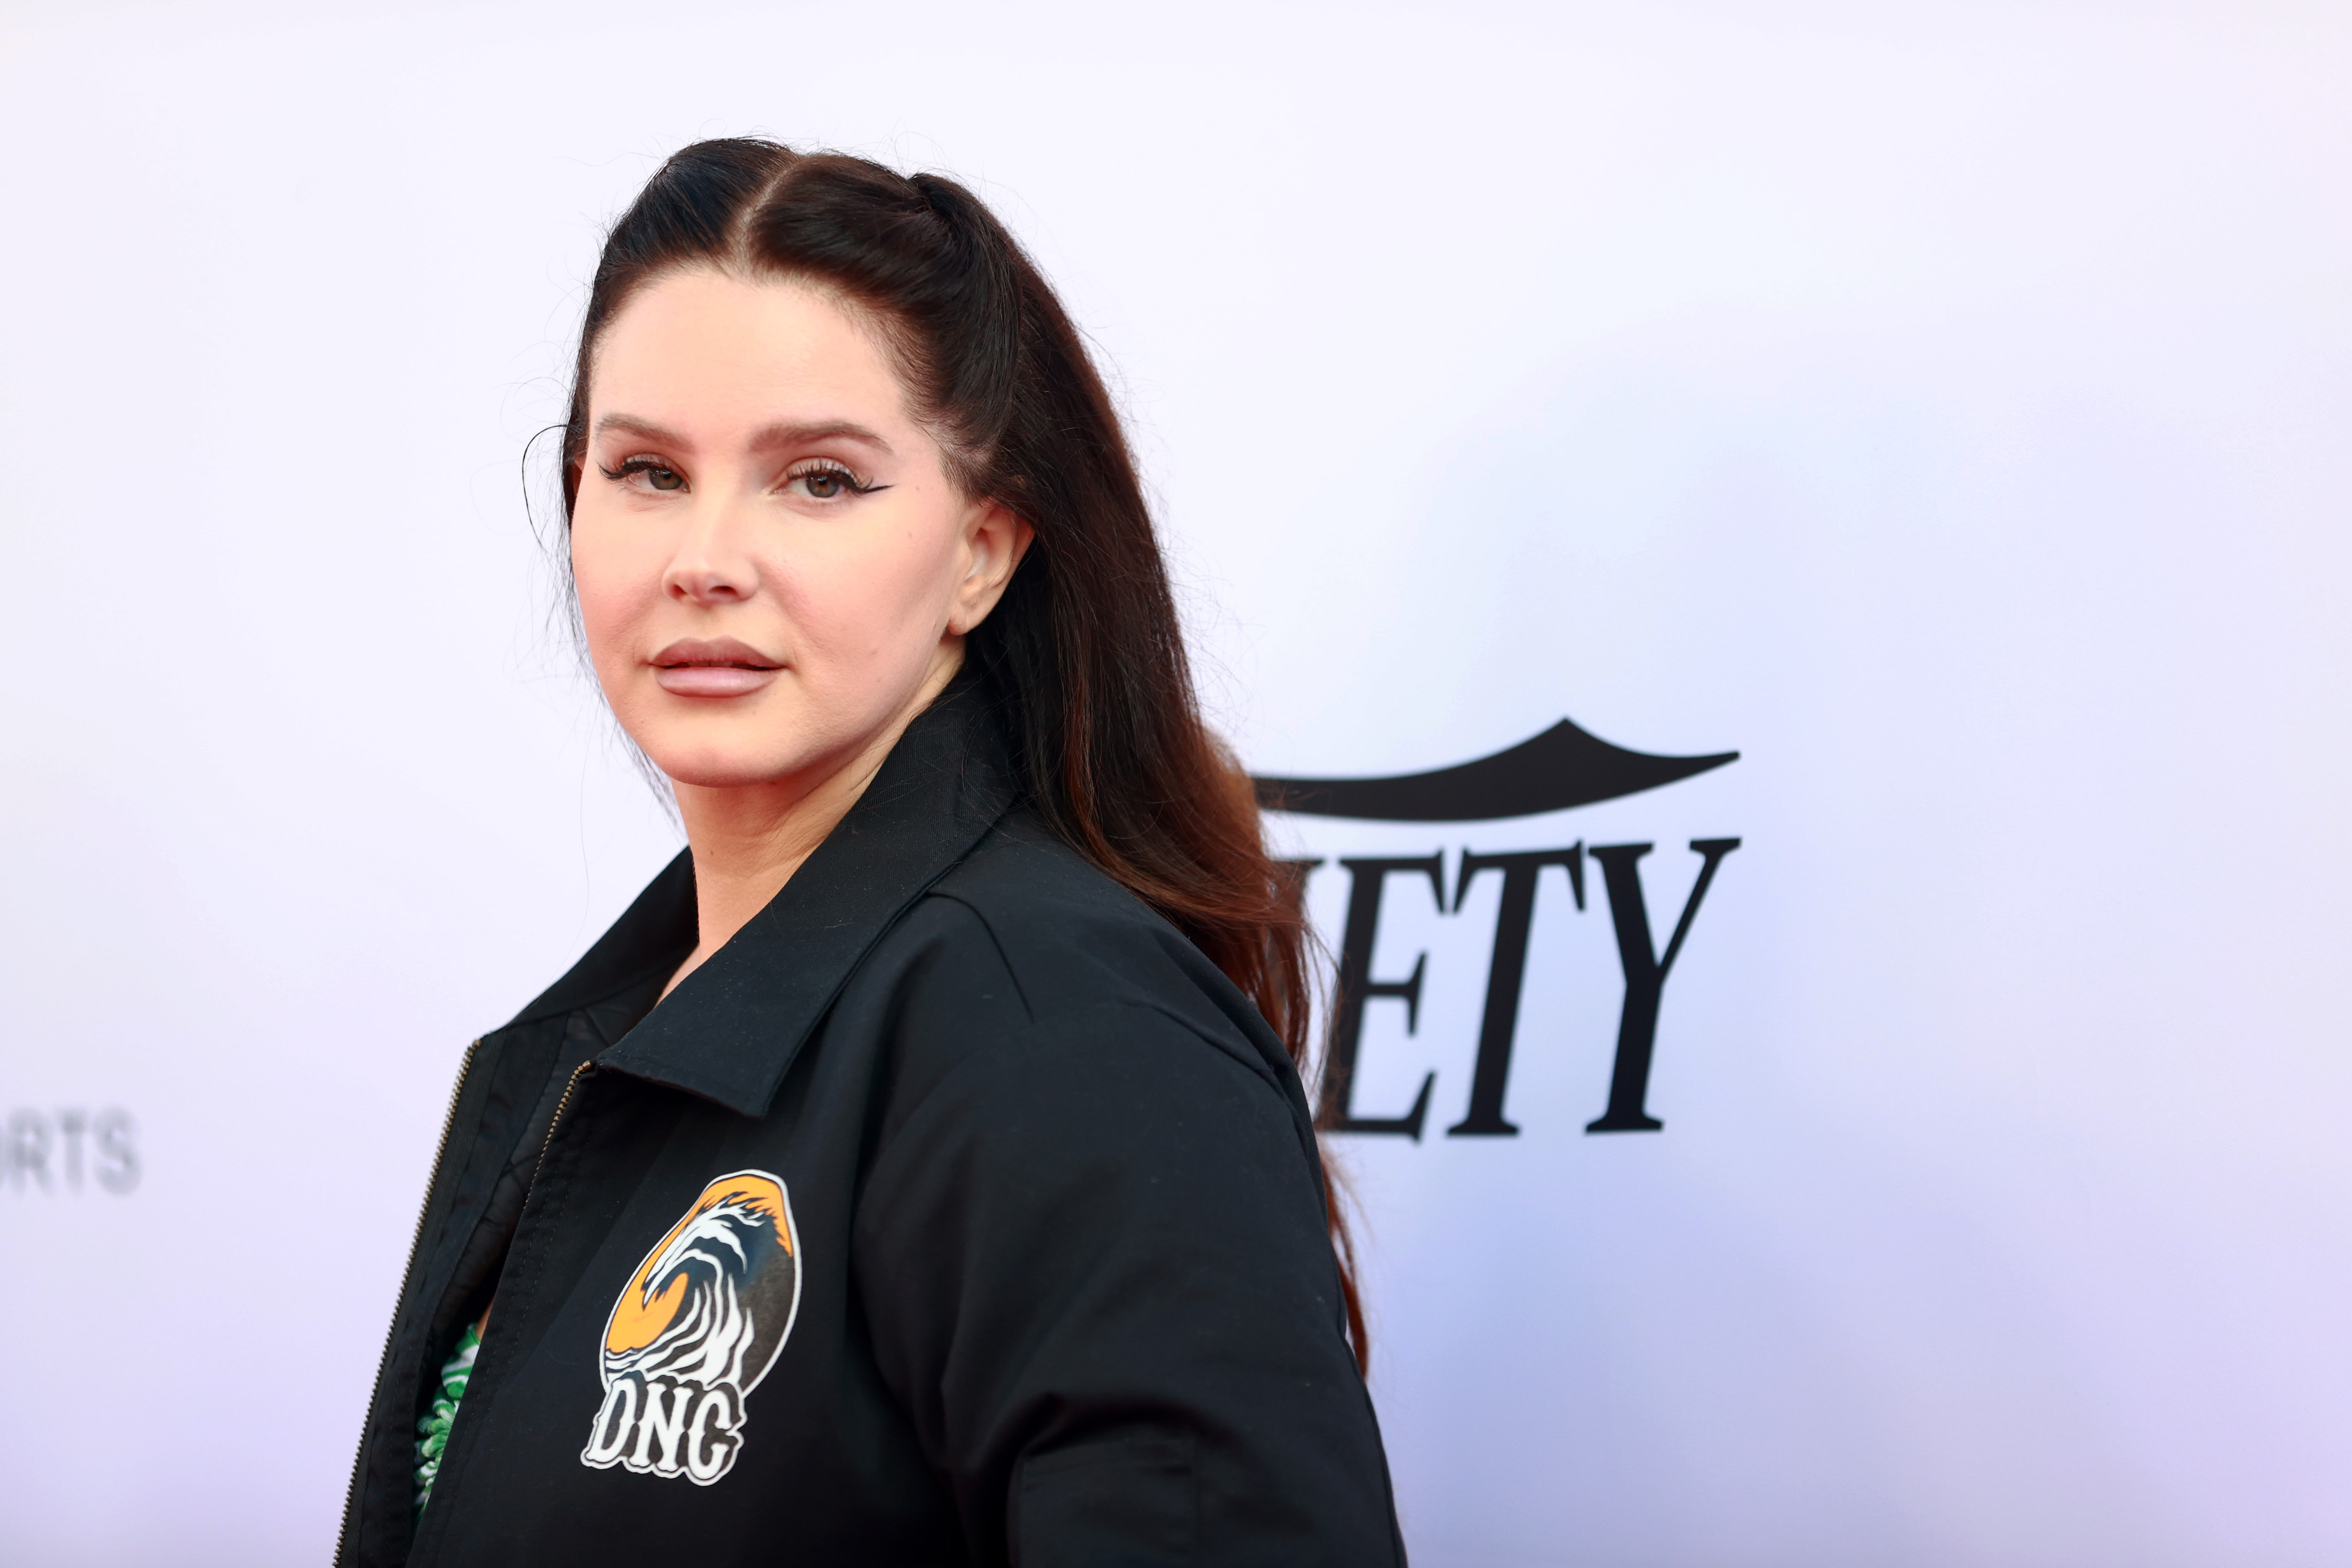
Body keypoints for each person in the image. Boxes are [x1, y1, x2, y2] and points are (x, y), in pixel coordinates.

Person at [337, 139, 1405, 1567]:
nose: (703, 556)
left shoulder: (1062, 1021)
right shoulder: (614, 1028)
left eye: (818, 481)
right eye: (646, 469)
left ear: (982, 547)